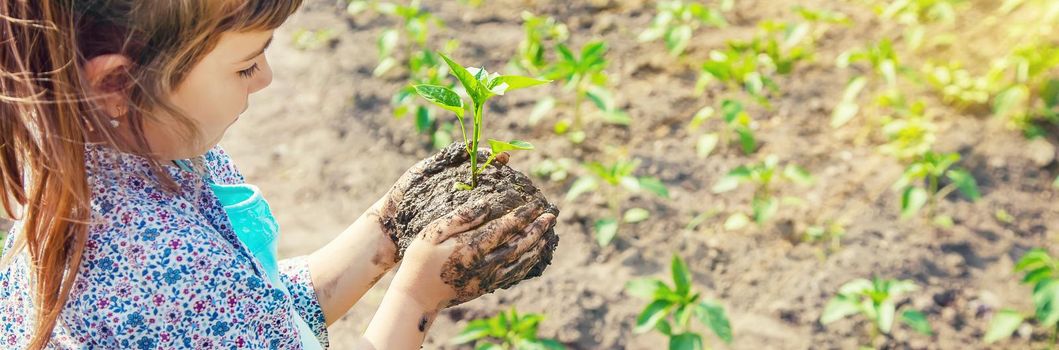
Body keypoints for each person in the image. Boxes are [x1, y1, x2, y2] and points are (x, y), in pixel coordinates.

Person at [0, 1, 556, 349]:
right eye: (244, 64)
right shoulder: (159, 272)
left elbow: (256, 316)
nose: (265, 78)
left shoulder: (102, 152)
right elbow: (215, 304)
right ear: (115, 85)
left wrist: (388, 227)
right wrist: (414, 301)